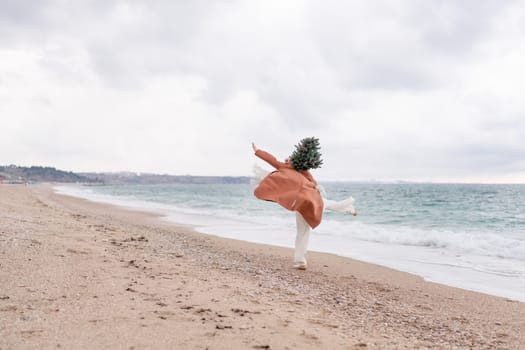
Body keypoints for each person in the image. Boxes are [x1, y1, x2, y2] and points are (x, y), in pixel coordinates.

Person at [252, 138, 357, 270]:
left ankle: (300, 261)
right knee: (327, 205)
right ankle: (348, 207)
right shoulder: (302, 171)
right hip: (311, 199)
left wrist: (257, 151)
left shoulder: (286, 167)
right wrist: (305, 184)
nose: (286, 160)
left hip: (303, 202)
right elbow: (314, 183)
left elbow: (271, 160)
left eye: (288, 159)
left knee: (303, 231)